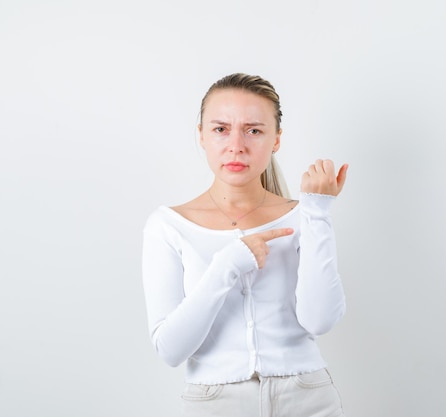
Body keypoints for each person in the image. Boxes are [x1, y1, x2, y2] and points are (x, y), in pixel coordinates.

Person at [142, 73, 348, 417]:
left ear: (276, 139)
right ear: (202, 135)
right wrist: (228, 264)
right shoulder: (168, 226)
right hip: (213, 403)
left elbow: (319, 320)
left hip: (309, 398)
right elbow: (171, 349)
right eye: (221, 129)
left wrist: (317, 211)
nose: (236, 144)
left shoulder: (302, 216)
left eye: (253, 130)